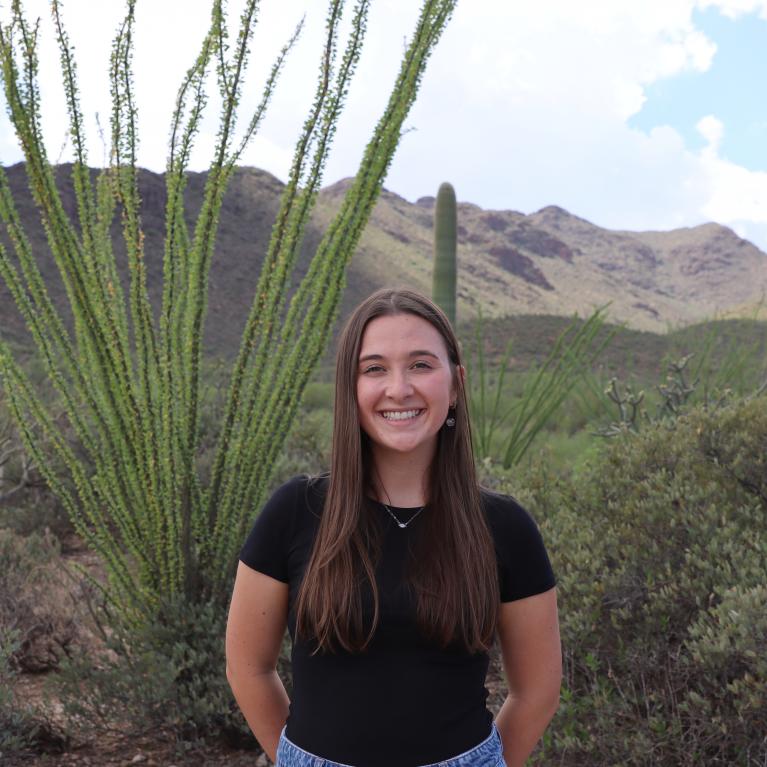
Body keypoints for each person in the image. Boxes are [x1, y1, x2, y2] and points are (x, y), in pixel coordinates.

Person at [225, 288, 561, 767]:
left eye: (421, 365)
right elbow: (248, 668)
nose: (399, 389)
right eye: (375, 368)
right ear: (351, 387)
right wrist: (295, 760)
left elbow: (537, 690)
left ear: (457, 384)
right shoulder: (295, 512)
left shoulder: (505, 527)